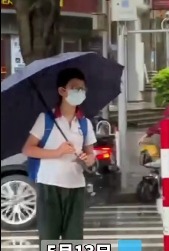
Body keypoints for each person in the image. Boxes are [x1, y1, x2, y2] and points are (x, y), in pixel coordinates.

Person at [22, 68, 97, 241]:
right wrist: (57, 152)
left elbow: (91, 155)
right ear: (62, 91)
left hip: (76, 187)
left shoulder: (85, 123)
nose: (80, 92)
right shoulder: (46, 119)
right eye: (75, 87)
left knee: (74, 239)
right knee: (49, 239)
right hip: (49, 186)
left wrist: (87, 160)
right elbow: (28, 149)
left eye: (82, 89)